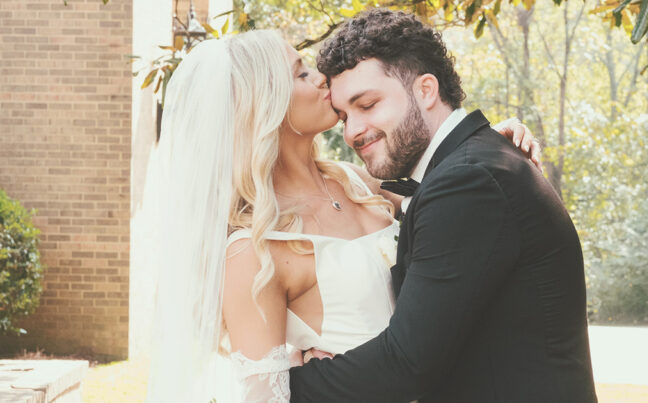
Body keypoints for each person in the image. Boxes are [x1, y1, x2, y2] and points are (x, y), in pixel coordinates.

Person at [143, 28, 540, 402]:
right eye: (300, 73)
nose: (321, 78)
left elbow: (448, 199)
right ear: (265, 105)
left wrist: (481, 148)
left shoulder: (355, 180)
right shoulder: (253, 250)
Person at [288, 9, 598, 403]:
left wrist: (280, 385)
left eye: (367, 105)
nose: (352, 132)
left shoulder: (467, 182)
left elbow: (405, 363)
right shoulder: (472, 166)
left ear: (426, 90)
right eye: (344, 116)